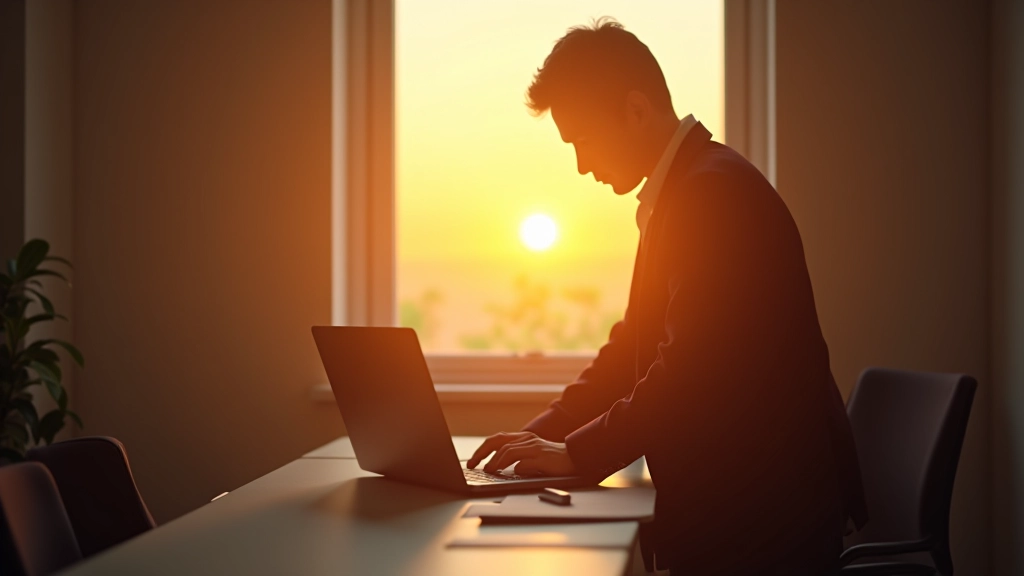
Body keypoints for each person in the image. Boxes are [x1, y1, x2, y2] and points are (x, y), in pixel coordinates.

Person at [465, 18, 867, 575]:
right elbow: (630, 348)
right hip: (743, 505)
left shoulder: (711, 194)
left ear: (635, 110)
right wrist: (539, 437)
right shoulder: (685, 188)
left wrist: (577, 453)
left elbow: (689, 372)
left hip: (763, 522)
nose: (581, 165)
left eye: (582, 141)